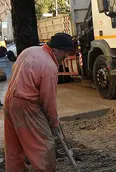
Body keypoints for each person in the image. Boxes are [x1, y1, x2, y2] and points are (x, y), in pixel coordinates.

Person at [4, 32, 74, 171]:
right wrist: (53, 123)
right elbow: (48, 101)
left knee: (14, 147)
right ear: (55, 50)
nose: (66, 56)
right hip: (27, 106)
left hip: (9, 100)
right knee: (44, 147)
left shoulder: (30, 51)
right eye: (65, 52)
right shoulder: (49, 66)